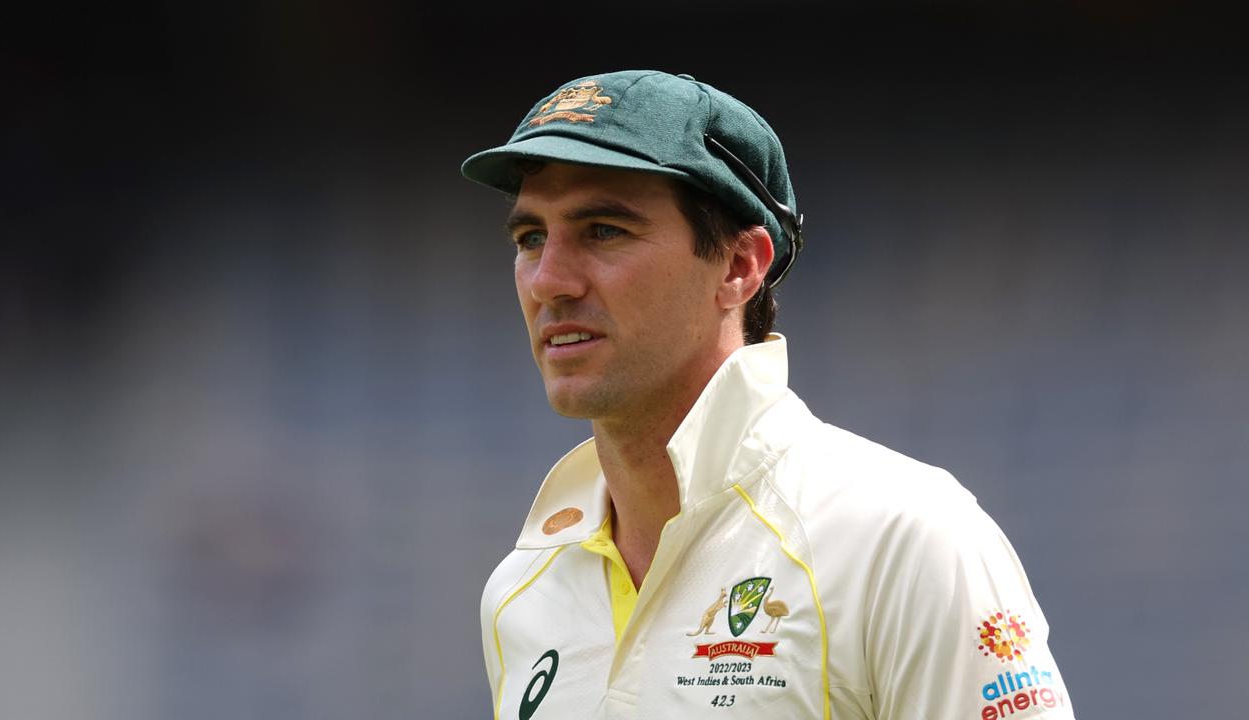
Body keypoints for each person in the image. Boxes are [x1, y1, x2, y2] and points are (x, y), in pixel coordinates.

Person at [460, 70, 1074, 720]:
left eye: (604, 230)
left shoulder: (907, 541)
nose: (548, 280)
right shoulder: (521, 591)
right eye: (530, 239)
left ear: (738, 266)